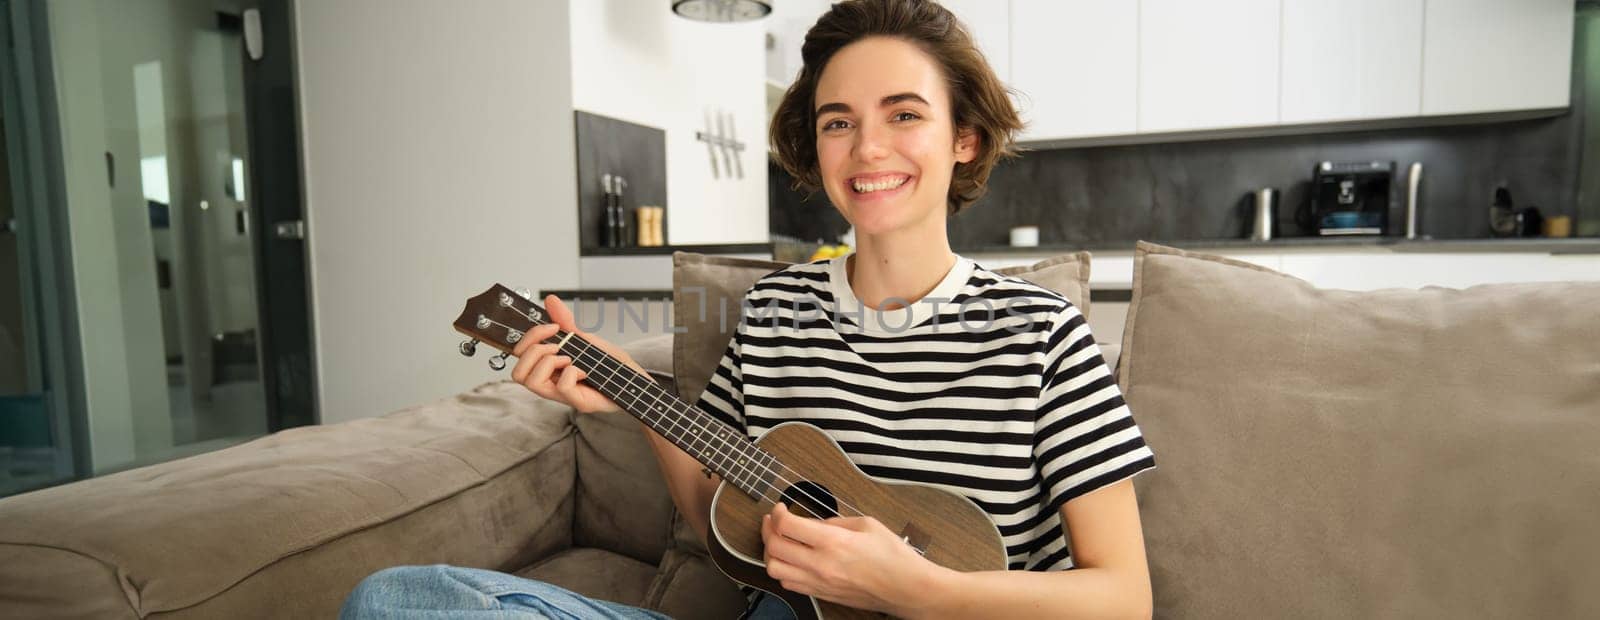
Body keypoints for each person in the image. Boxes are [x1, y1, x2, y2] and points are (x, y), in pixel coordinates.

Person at [341, 1, 1155, 618]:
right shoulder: (776, 311)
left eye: (904, 115)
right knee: (400, 599)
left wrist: (916, 588)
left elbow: (1125, 597)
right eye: (839, 123)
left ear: (965, 139)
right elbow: (719, 526)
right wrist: (630, 388)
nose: (868, 148)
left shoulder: (1041, 331)